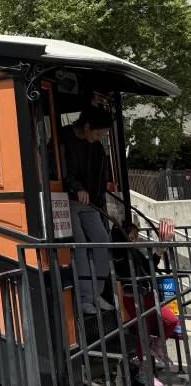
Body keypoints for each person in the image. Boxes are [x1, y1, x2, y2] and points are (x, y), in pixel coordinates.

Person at [111, 220, 180, 386]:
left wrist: (159, 250)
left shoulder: (135, 252)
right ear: (123, 236)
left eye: (135, 236)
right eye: (131, 236)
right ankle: (143, 370)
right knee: (144, 328)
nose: (135, 239)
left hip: (146, 295)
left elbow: (150, 267)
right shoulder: (118, 253)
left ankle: (155, 343)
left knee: (170, 320)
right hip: (131, 298)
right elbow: (120, 249)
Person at [61, 105, 115, 314]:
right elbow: (60, 170)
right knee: (81, 247)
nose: (100, 137)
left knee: (103, 242)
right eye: (99, 133)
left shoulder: (96, 147)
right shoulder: (63, 139)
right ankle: (84, 298)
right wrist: (76, 188)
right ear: (86, 126)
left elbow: (101, 175)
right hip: (69, 201)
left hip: (90, 203)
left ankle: (96, 294)